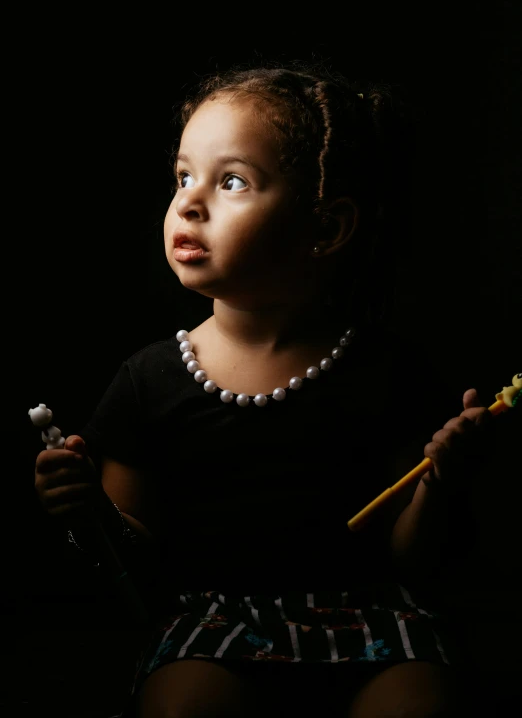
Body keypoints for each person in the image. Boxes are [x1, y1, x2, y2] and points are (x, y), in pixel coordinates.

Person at [34, 63, 495, 717]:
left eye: (232, 182)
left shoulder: (386, 373)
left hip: (371, 619)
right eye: (183, 177)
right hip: (215, 627)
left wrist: (440, 482)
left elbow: (410, 557)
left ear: (326, 228)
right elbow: (137, 553)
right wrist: (88, 511)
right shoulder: (148, 380)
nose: (190, 202)